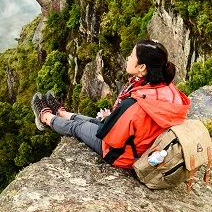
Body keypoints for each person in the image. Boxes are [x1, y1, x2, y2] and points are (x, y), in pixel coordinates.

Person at [30, 39, 190, 169]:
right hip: (143, 145)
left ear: (142, 67)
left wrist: (110, 120)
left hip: (123, 155)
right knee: (95, 121)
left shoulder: (135, 104)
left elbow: (109, 136)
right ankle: (62, 113)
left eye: (132, 55)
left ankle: (46, 118)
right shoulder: (168, 89)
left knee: (78, 128)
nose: (128, 58)